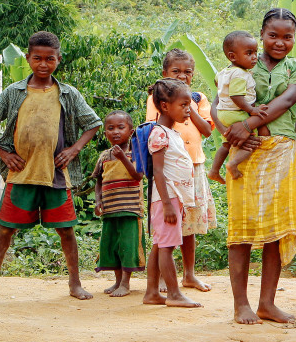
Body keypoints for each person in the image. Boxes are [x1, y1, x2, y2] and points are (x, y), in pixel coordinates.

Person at [0, 31, 102, 301]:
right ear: (29, 58)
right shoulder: (14, 92)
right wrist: (3, 154)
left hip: (56, 175)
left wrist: (74, 149)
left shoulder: (68, 94)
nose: (43, 64)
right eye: (37, 58)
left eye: (50, 59)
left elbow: (93, 123)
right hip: (21, 175)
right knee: (6, 229)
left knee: (66, 230)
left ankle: (75, 284)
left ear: (58, 59)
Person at [214, 8, 296, 325]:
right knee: (240, 229)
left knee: (276, 229)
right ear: (261, 35)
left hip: (282, 150)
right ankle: (240, 305)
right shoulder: (242, 63)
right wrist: (230, 131)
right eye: (273, 35)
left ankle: (267, 303)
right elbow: (218, 103)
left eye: (288, 37)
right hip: (245, 150)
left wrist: (248, 123)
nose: (280, 42)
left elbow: (284, 102)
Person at [147, 49, 216, 293]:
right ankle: (165, 278)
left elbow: (207, 131)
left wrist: (191, 105)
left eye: (188, 72)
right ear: (165, 73)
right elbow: (156, 126)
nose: (182, 76)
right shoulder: (156, 98)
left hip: (194, 165)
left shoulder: (198, 99)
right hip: (168, 170)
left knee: (191, 224)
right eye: (176, 71)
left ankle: (189, 274)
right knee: (168, 224)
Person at [142, 78, 202, 309]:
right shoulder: (160, 134)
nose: (188, 110)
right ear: (165, 106)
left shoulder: (171, 132)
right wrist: (167, 204)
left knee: (160, 245)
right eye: (184, 105)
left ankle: (151, 293)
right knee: (167, 246)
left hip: (173, 198)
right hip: (167, 198)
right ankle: (174, 294)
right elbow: (158, 171)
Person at [91, 111, 145, 298]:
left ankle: (125, 283)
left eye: (121, 127)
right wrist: (98, 201)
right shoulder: (104, 156)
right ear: (105, 132)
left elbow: (138, 175)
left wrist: (123, 158)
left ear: (130, 131)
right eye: (110, 128)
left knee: (128, 246)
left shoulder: (136, 151)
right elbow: (98, 180)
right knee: (113, 246)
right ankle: (116, 281)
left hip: (130, 208)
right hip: (110, 208)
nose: (115, 132)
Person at [209, 31, 269, 183]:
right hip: (237, 113)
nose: (254, 57)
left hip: (223, 112)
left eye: (255, 52)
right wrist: (251, 110)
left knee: (226, 144)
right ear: (233, 56)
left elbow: (218, 83)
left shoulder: (224, 72)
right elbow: (236, 97)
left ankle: (214, 170)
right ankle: (233, 163)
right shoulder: (240, 74)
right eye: (249, 53)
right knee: (252, 141)